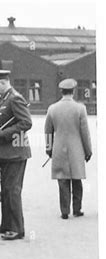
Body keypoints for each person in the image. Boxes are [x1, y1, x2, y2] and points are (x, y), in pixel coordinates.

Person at [0, 69, 32, 241]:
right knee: (5, 190)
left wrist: (4, 134)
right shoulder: (4, 98)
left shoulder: (15, 98)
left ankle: (17, 228)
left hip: (15, 152)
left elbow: (26, 122)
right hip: (5, 152)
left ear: (4, 82)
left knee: (13, 190)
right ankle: (6, 224)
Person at [44, 78, 92, 219]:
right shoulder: (80, 108)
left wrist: (49, 149)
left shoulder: (52, 108)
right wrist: (88, 151)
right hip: (76, 149)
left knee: (62, 180)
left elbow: (48, 131)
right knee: (77, 180)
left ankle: (64, 211)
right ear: (74, 91)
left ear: (61, 91)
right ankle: (77, 209)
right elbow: (85, 133)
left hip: (59, 149)